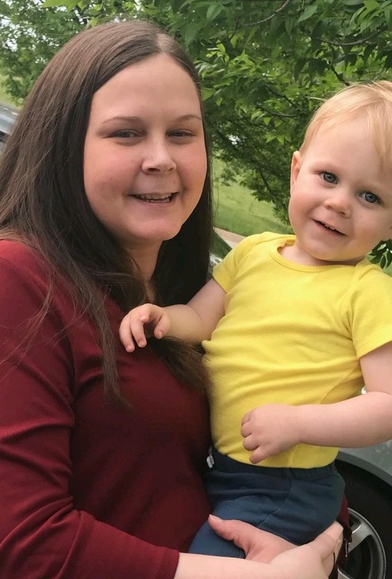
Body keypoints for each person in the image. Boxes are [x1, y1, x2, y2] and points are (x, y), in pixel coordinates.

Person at [0, 19, 344, 578]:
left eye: (183, 133)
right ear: (64, 146)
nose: (161, 158)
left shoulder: (189, 298)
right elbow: (19, 550)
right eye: (126, 133)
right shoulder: (6, 282)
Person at [120, 80, 392, 558]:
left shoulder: (368, 292)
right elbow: (201, 317)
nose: (339, 203)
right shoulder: (254, 252)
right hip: (217, 463)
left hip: (284, 486)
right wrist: (162, 318)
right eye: (328, 176)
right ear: (296, 171)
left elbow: (386, 405)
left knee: (210, 565)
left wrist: (300, 423)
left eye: (370, 197)